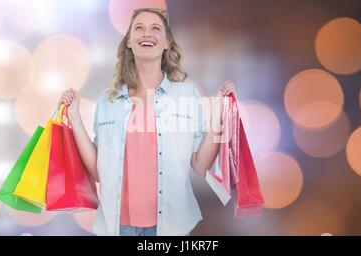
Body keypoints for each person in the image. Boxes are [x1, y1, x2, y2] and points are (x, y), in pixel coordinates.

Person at [60, 8, 237, 236]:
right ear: (129, 43)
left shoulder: (186, 96)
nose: (147, 34)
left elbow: (201, 165)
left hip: (170, 226)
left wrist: (221, 115)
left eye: (156, 28)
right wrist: (74, 116)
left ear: (166, 43)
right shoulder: (108, 100)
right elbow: (98, 171)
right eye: (139, 28)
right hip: (118, 226)